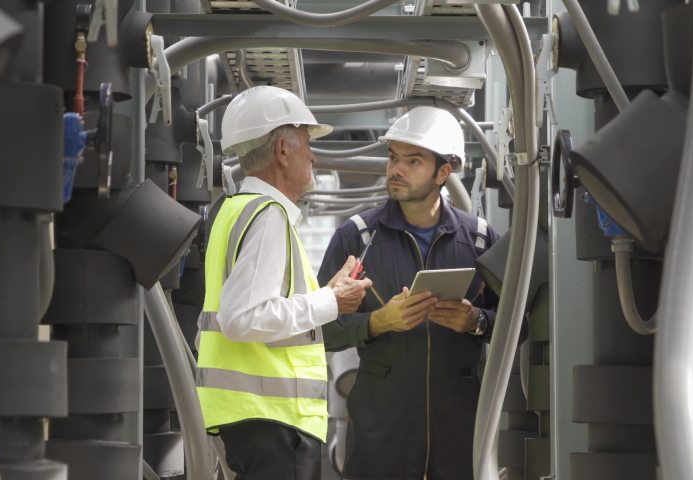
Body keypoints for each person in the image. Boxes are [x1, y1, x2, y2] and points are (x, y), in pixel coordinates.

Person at [196, 86, 373, 480]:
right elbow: (243, 317)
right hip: (273, 419)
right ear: (282, 150)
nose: (313, 156)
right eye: (307, 143)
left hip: (247, 418)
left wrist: (327, 292)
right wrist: (330, 301)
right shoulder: (268, 216)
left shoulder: (233, 210)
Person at [317, 107, 502, 480]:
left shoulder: (480, 240)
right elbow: (318, 330)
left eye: (412, 161)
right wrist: (375, 323)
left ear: (443, 172)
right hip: (382, 421)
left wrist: (476, 321)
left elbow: (520, 326)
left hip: (461, 418)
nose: (396, 169)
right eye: (393, 157)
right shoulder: (357, 238)